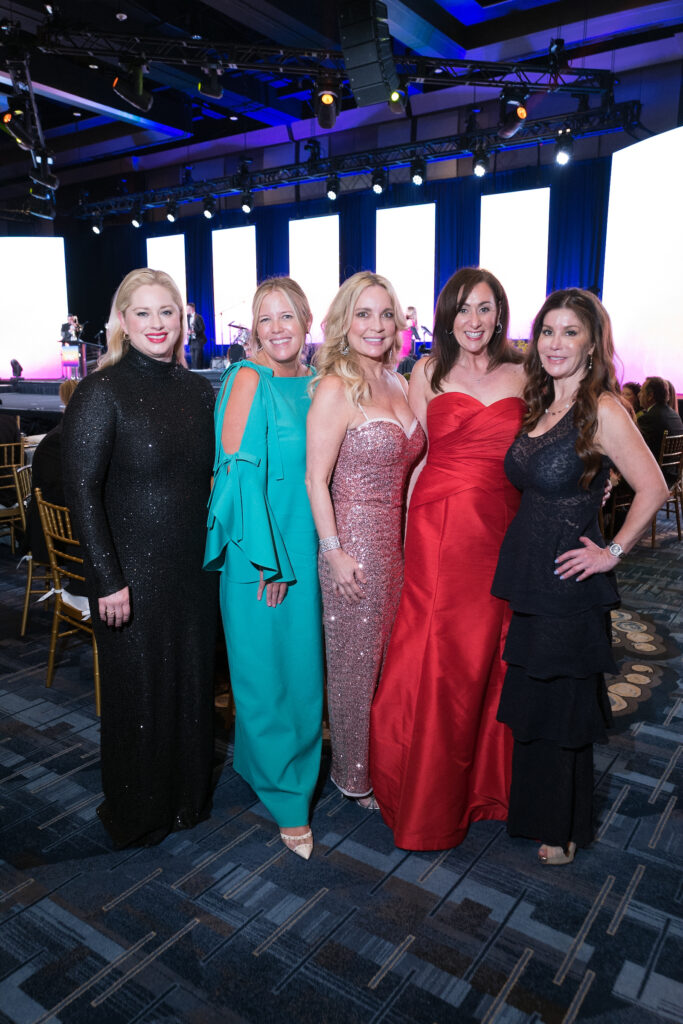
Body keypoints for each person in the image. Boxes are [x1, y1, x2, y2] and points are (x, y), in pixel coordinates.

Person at [491, 289, 668, 865]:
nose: (556, 343)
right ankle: (538, 810)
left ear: (593, 344)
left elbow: (654, 487)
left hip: (570, 583)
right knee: (536, 700)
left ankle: (564, 826)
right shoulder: (539, 404)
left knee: (563, 706)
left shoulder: (605, 410)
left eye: (571, 332)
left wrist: (612, 551)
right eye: (548, 331)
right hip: (531, 576)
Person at [370, 267, 526, 850]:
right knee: (438, 655)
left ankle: (487, 786)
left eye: (484, 308)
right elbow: (413, 455)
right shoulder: (427, 371)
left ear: (500, 314)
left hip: (500, 529)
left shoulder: (524, 372)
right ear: (446, 317)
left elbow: (546, 443)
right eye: (462, 309)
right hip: (438, 527)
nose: (474, 320)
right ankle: (427, 796)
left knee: (491, 653)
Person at [62, 268, 217, 849]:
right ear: (122, 321)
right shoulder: (103, 391)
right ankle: (138, 811)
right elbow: (81, 489)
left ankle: (186, 802)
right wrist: (106, 579)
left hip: (194, 571)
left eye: (167, 312)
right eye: (144, 313)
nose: (157, 324)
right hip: (130, 574)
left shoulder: (199, 391)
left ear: (183, 320)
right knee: (139, 695)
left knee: (190, 684)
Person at [204, 277, 323, 860]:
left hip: (308, 551)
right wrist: (269, 564)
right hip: (262, 556)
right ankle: (288, 800)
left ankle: (262, 764)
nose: (277, 328)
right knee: (266, 680)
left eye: (287, 317)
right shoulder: (247, 380)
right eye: (265, 319)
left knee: (302, 678)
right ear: (255, 329)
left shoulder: (319, 383)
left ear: (307, 321)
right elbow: (236, 475)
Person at [306, 272, 425, 810]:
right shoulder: (336, 385)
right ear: (342, 323)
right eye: (364, 314)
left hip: (399, 544)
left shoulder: (399, 383)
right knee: (354, 666)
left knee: (388, 663)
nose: (376, 326)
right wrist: (333, 552)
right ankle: (352, 776)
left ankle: (380, 759)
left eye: (385, 314)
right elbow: (315, 478)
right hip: (352, 546)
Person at [638, 376, 683, 481]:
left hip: (655, 477)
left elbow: (638, 449)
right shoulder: (674, 416)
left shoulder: (649, 418)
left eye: (641, 391)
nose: (638, 395)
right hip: (672, 474)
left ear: (650, 396)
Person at [187, 301, 207, 369]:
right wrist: (188, 332)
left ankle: (199, 373)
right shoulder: (188, 317)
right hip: (192, 340)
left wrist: (193, 331)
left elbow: (202, 328)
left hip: (198, 340)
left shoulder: (198, 317)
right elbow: (189, 328)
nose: (186, 310)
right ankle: (194, 373)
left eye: (187, 309)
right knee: (193, 358)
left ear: (191, 309)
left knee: (197, 358)